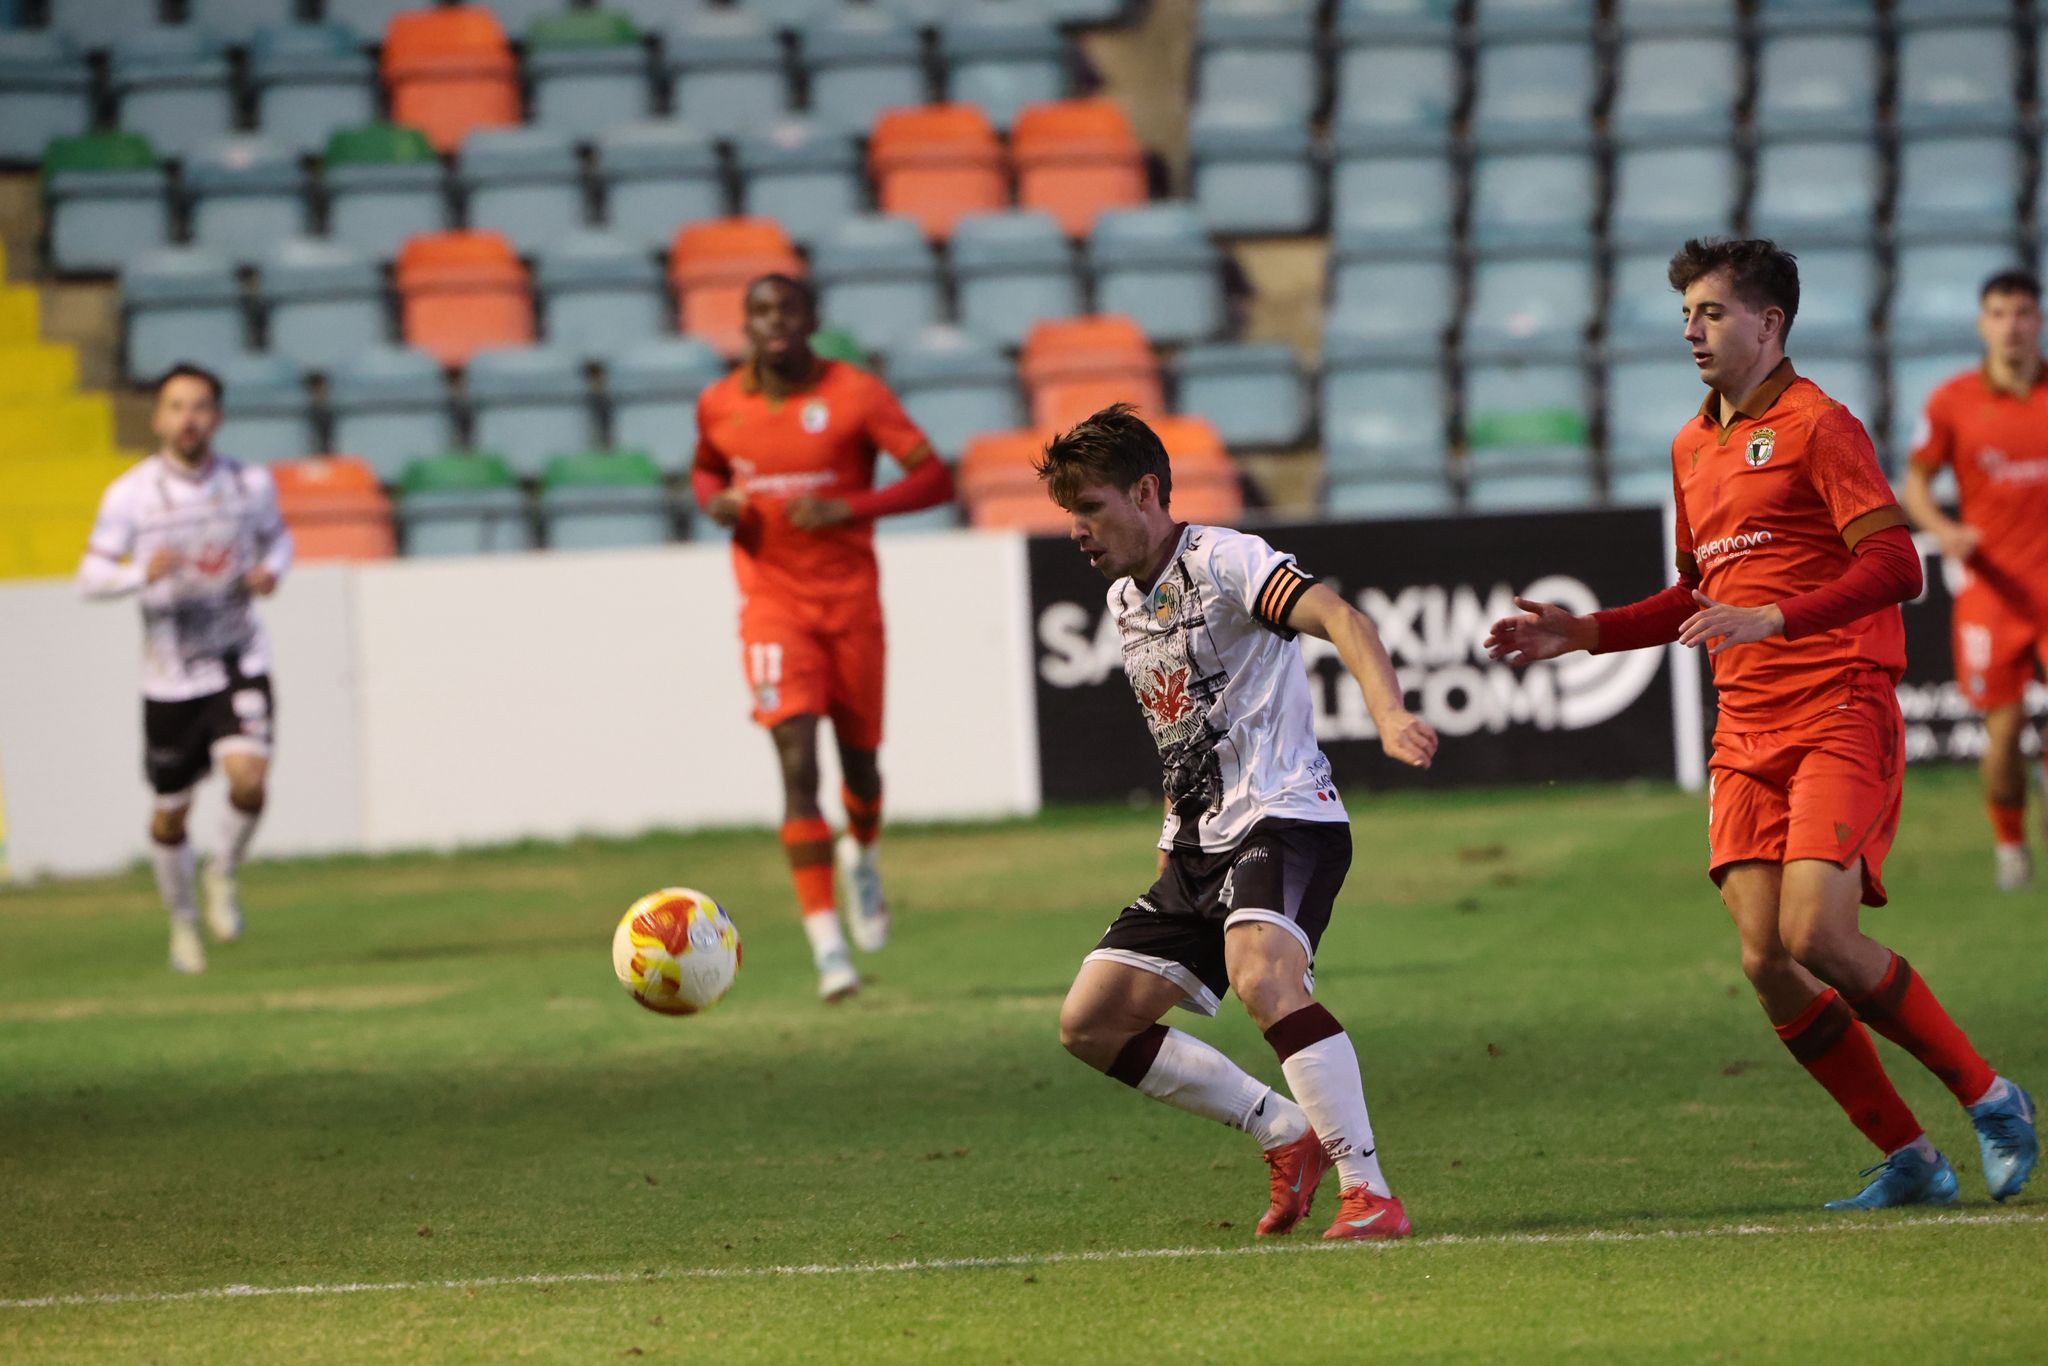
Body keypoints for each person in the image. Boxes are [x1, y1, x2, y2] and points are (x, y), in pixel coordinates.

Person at [1485, 238, 2037, 1210]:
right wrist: (1585, 633)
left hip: (1837, 703)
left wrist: (1776, 617)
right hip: (1743, 728)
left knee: (1816, 933)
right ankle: (1911, 1156)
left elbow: (1898, 565)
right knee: (1764, 958)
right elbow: (1694, 595)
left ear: (1768, 323)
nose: (1691, 331)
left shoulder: (1820, 424)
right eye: (1685, 316)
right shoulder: (1689, 445)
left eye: (1710, 312)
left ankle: (1989, 1096)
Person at [1040, 404, 1438, 1241]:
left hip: (1286, 814)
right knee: (1092, 1022)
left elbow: (1344, 619)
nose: (1077, 530)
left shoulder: (1225, 559)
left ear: (1146, 492)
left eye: (1091, 508)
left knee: (1261, 975)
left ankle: (1369, 1192)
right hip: (1198, 843)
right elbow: (1179, 729)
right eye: (1069, 512)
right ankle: (1284, 1131)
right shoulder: (1124, 599)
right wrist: (1169, 841)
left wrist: (1390, 714)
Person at [691, 275, 956, 1002]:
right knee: (796, 761)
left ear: (810, 318)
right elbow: (707, 468)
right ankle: (829, 950)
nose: (774, 320)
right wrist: (715, 504)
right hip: (773, 609)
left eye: (787, 308)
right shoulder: (719, 402)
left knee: (860, 769)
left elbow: (935, 479)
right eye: (760, 309)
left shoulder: (855, 394)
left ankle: (861, 853)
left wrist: (849, 507)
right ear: (745, 323)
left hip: (852, 610)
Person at [77, 363, 293, 974]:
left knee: (249, 778)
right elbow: (89, 577)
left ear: (216, 417)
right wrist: (135, 575)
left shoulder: (250, 483)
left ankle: (222, 870)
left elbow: (280, 540)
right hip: (170, 676)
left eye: (199, 406)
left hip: (238, 656)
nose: (188, 419)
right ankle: (183, 920)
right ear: (157, 419)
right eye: (175, 407)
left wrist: (272, 571)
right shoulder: (130, 495)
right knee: (171, 812)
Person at [1899, 269, 2048, 892]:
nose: (2012, 326)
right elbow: (1914, 486)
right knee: (2004, 732)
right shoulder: (1952, 401)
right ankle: (2011, 846)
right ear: (1982, 323)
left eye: (2023, 313)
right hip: (1991, 595)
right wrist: (1944, 530)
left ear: (2039, 320)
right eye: (2000, 313)